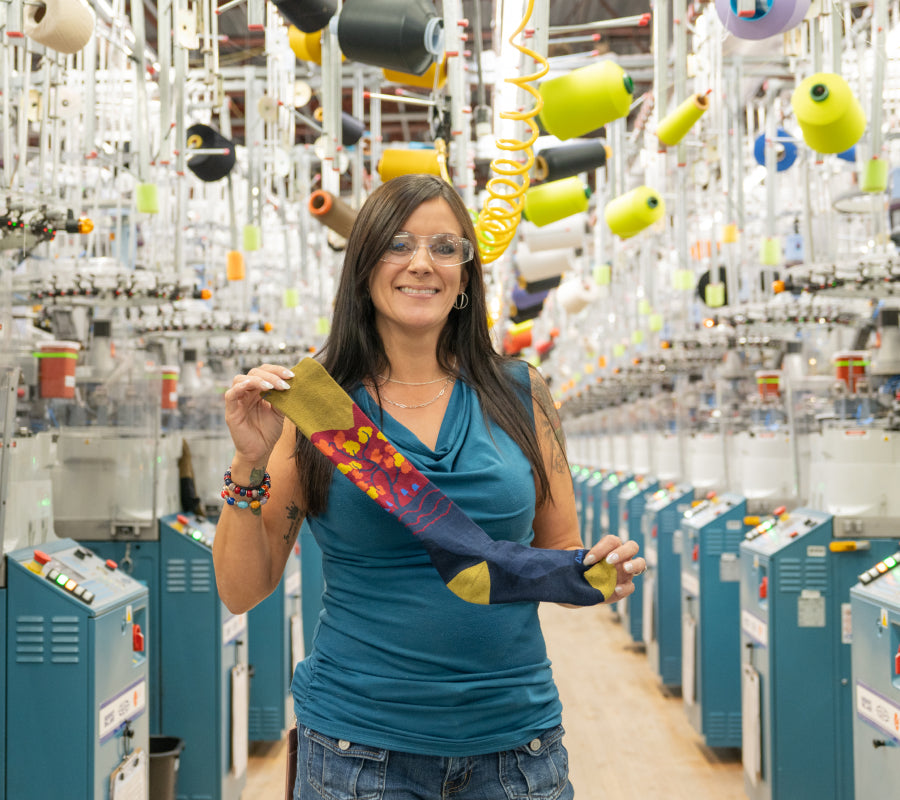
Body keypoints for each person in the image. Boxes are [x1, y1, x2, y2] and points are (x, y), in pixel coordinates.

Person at [213, 173, 644, 799]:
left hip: (516, 747)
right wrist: (249, 463)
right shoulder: (318, 408)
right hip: (357, 749)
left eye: (446, 248)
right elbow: (240, 591)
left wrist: (593, 570)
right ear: (363, 268)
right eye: (397, 244)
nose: (422, 263)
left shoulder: (522, 393)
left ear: (465, 277)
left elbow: (549, 557)